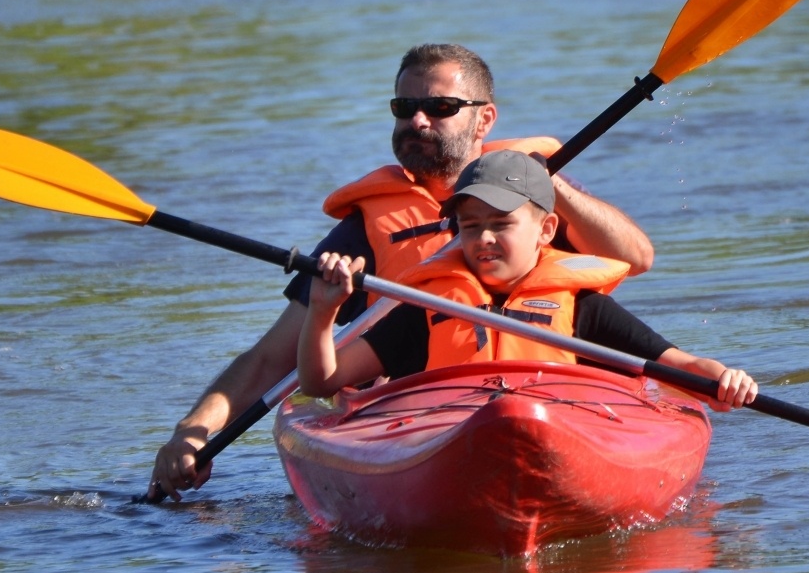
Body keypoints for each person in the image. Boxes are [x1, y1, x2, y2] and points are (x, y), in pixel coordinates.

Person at [148, 44, 656, 500]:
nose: (417, 121)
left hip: (551, 403)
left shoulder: (531, 204)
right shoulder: (366, 227)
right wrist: (192, 432)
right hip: (420, 416)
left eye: (439, 108)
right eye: (404, 108)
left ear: (485, 120)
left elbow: (635, 257)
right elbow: (270, 358)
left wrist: (551, 184)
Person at [298, 150, 758, 409]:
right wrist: (323, 312)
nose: (485, 238)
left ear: (545, 231)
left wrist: (724, 379)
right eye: (472, 225)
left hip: (558, 426)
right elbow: (323, 381)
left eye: (501, 223)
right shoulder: (428, 310)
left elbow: (680, 367)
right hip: (449, 433)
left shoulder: (583, 309)